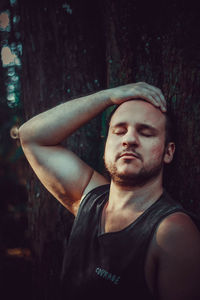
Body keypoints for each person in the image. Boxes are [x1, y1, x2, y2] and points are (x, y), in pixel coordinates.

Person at [19, 82, 200, 300]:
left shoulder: (172, 232)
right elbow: (30, 136)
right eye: (119, 131)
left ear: (168, 152)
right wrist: (109, 96)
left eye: (146, 133)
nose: (129, 140)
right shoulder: (89, 199)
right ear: (107, 144)